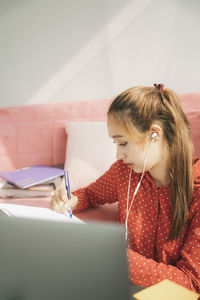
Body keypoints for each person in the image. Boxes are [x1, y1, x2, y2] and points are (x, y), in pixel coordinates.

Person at [51, 84, 200, 293]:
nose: (118, 155)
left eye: (122, 143)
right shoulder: (124, 173)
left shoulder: (197, 190)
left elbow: (191, 284)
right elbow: (90, 194)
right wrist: (69, 200)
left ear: (155, 134)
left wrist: (116, 257)